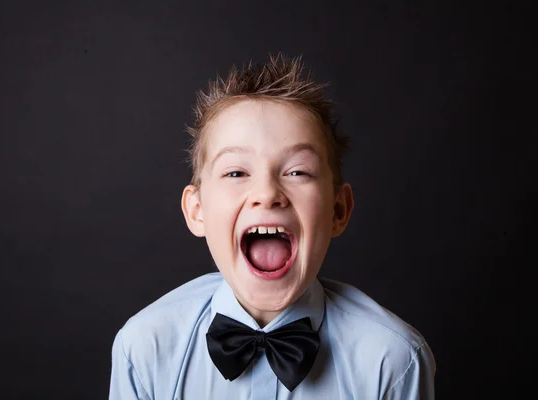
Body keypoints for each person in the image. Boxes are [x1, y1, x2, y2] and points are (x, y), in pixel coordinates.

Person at [108, 53, 436, 399]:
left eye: (297, 172)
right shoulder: (144, 347)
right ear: (197, 210)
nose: (267, 194)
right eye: (236, 172)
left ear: (338, 210)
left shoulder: (394, 361)